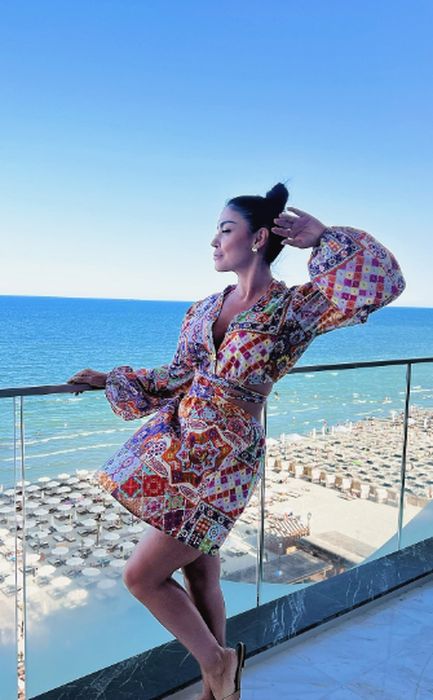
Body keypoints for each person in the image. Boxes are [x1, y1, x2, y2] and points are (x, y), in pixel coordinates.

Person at [67, 182, 406, 700]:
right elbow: (179, 375)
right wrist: (112, 377)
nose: (214, 241)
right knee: (200, 574)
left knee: (142, 577)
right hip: (181, 449)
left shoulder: (294, 308)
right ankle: (217, 691)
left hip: (228, 459)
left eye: (225, 230)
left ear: (258, 238)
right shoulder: (202, 309)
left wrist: (323, 237)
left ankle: (219, 661)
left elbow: (383, 283)